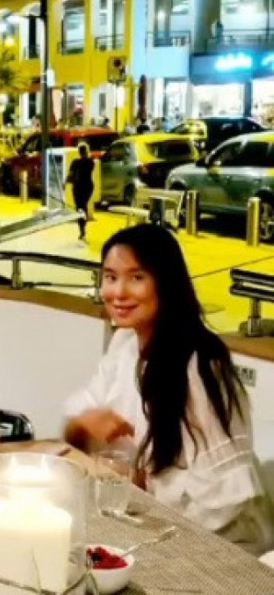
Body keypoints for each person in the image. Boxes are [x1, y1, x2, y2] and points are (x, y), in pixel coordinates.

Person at [64, 224, 274, 554]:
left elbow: (225, 500)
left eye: (136, 278)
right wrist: (84, 423)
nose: (118, 292)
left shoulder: (200, 366)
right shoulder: (125, 344)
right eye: (110, 277)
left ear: (166, 282)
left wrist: (145, 483)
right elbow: (86, 412)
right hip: (147, 522)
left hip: (220, 545)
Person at [67, 142, 95, 241]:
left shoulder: (75, 162)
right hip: (87, 186)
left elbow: (70, 175)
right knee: (83, 206)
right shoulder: (90, 162)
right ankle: (83, 227)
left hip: (77, 187)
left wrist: (66, 182)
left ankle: (82, 228)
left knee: (79, 207)